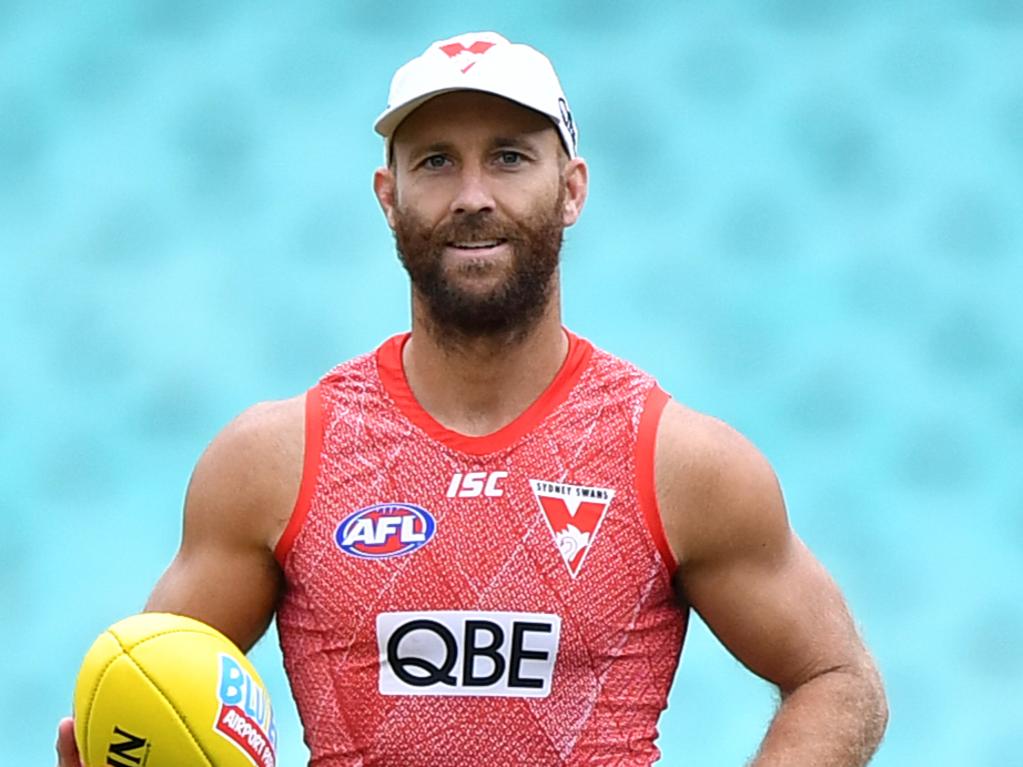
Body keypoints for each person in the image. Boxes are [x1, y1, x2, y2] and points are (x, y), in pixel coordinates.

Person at [57, 31, 888, 766]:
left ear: (572, 188)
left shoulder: (677, 461)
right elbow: (149, 697)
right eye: (435, 161)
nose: (472, 195)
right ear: (389, 197)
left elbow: (837, 677)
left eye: (509, 155)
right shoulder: (275, 459)